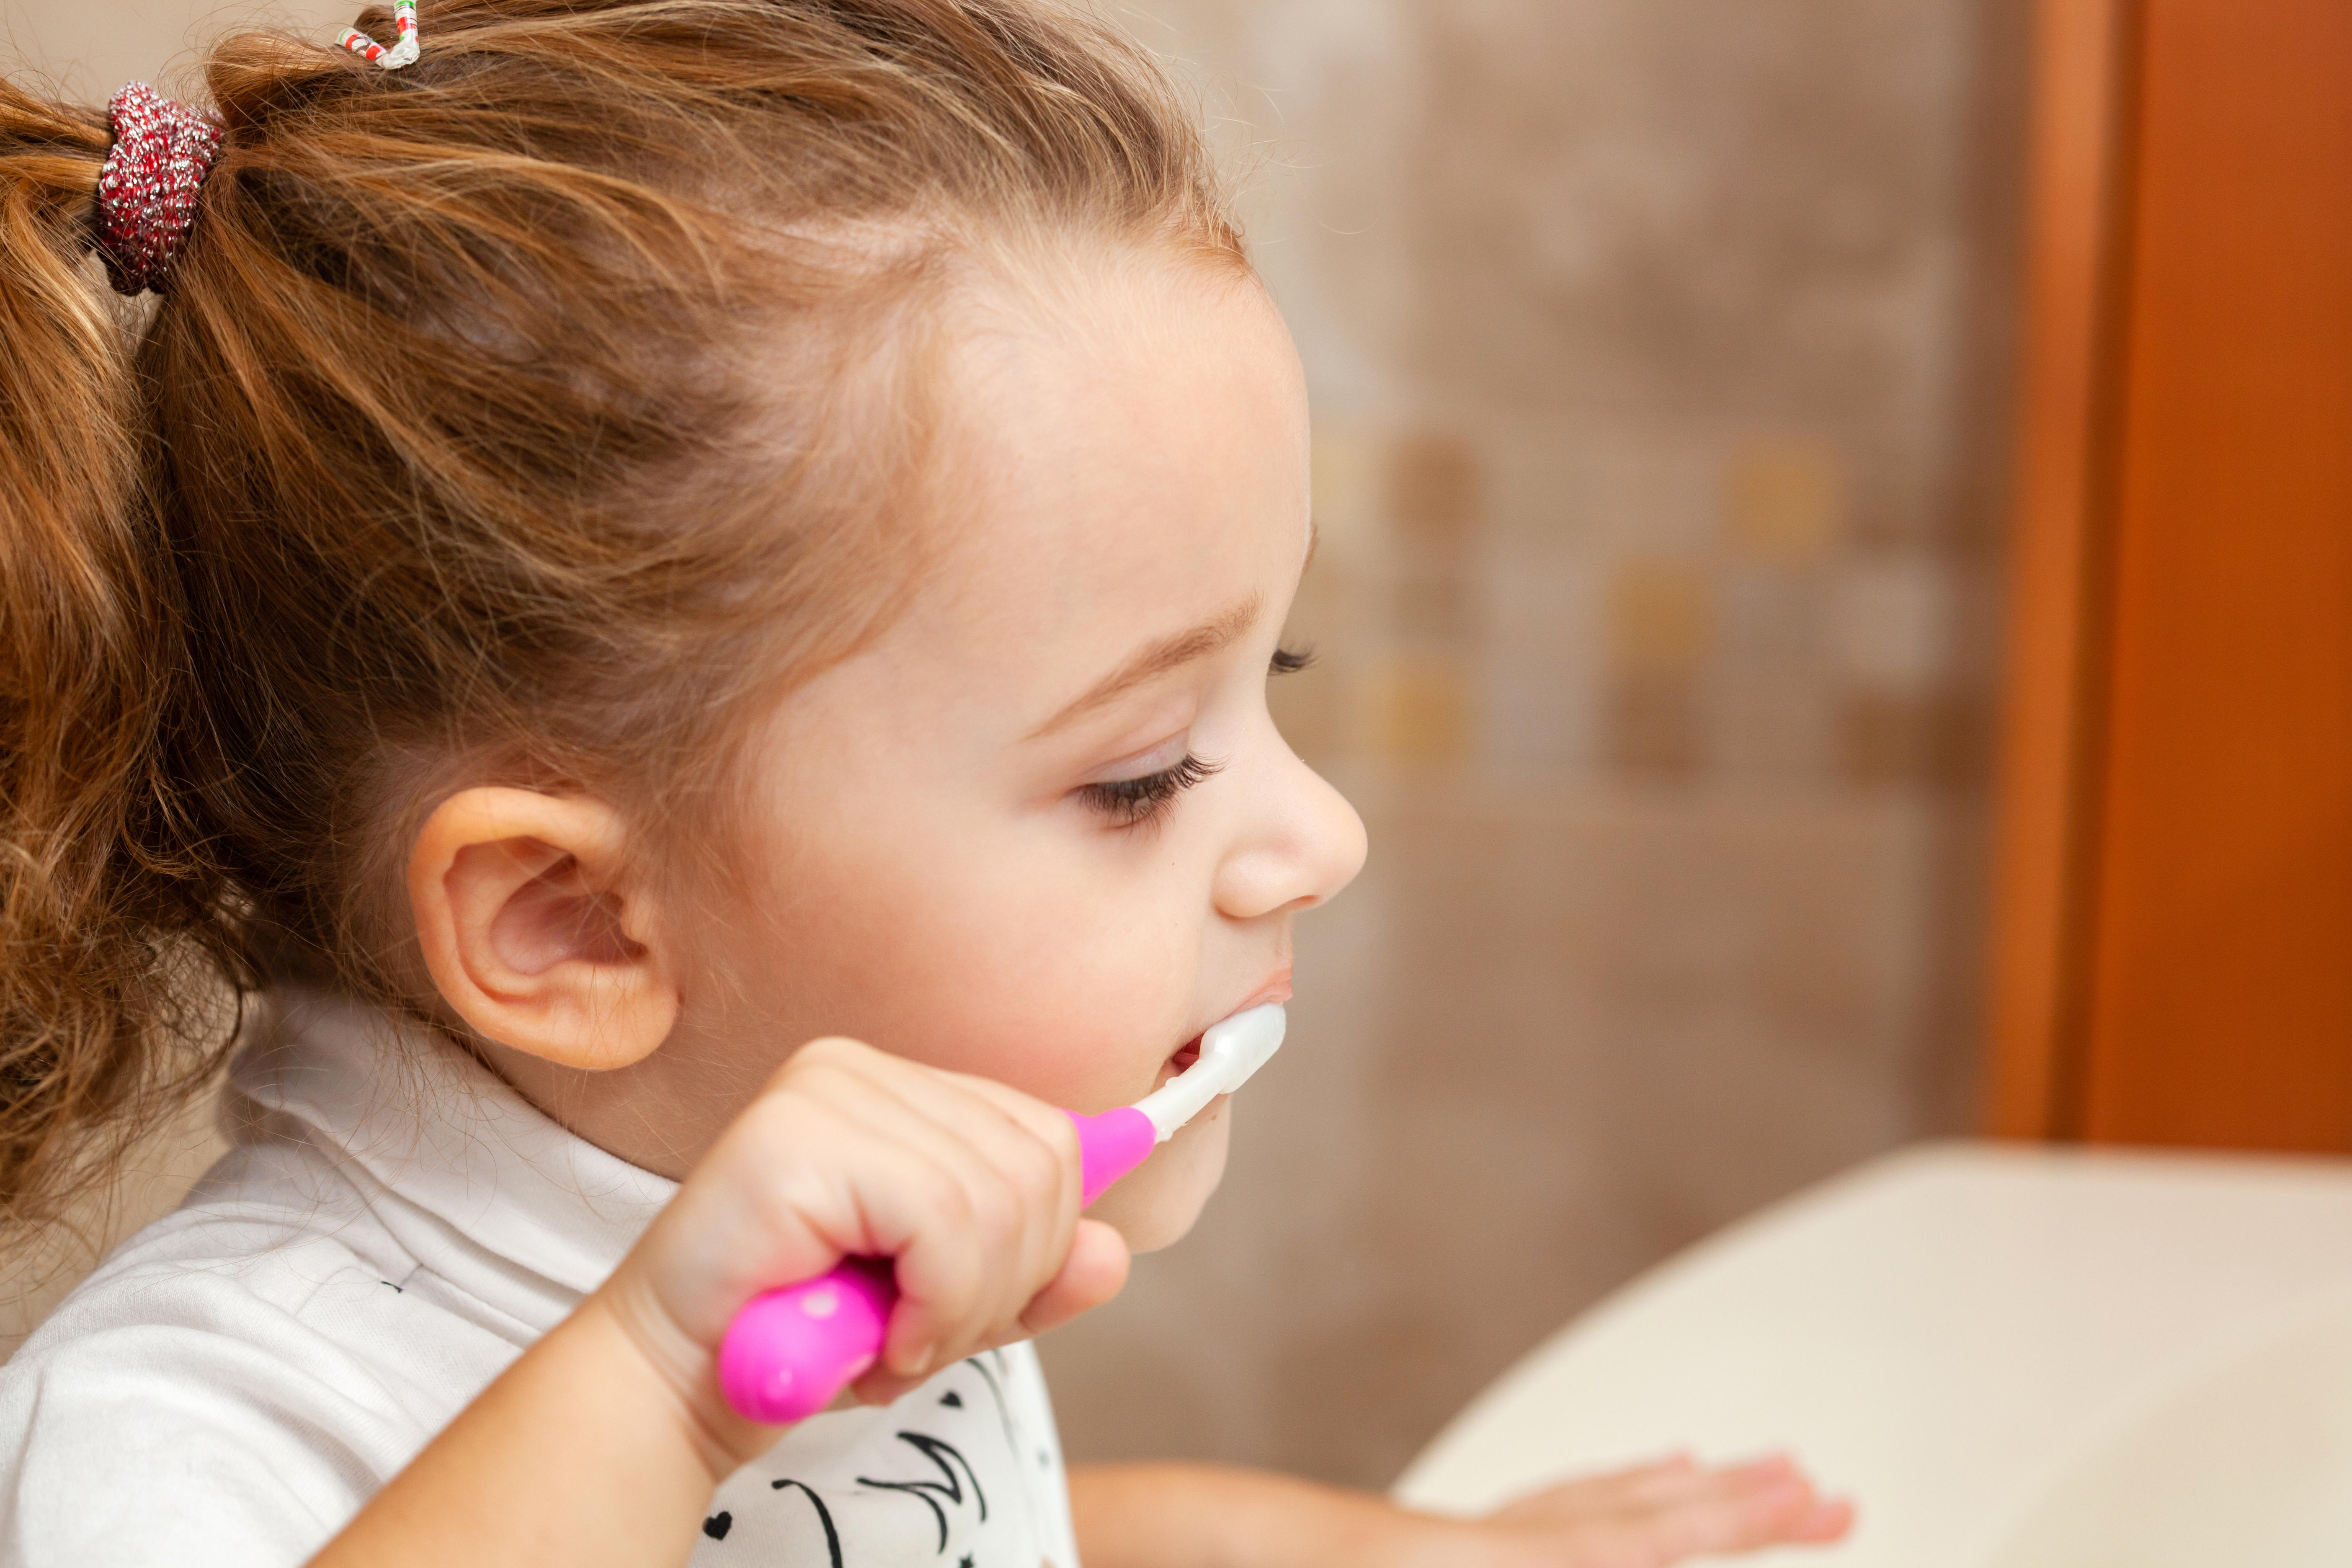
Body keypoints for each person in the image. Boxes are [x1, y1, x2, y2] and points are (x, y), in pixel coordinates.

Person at [0, 3, 1856, 1564]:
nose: (1318, 839)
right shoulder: (195, 1437)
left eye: (1266, 678)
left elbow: (966, 1527)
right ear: (573, 925)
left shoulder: (776, 1233)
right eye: (1141, 778)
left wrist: (1399, 1550)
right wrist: (657, 1389)